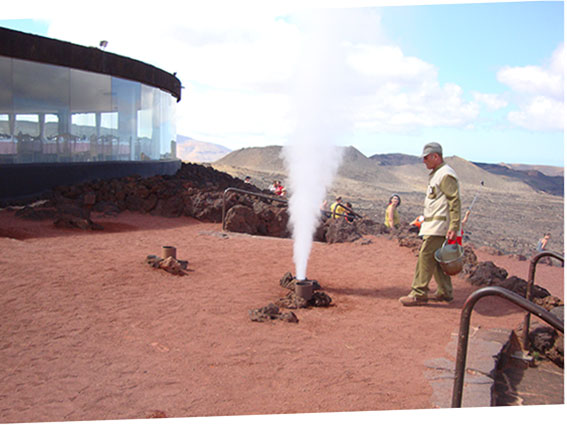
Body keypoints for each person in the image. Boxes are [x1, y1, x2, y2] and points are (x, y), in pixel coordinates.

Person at [399, 142, 461, 307]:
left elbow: (454, 201)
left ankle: (418, 293)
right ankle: (445, 292)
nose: (423, 161)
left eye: (426, 157)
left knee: (425, 256)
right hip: (435, 225)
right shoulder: (438, 174)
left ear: (436, 156)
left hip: (440, 226)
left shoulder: (445, 174)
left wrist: (454, 226)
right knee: (436, 257)